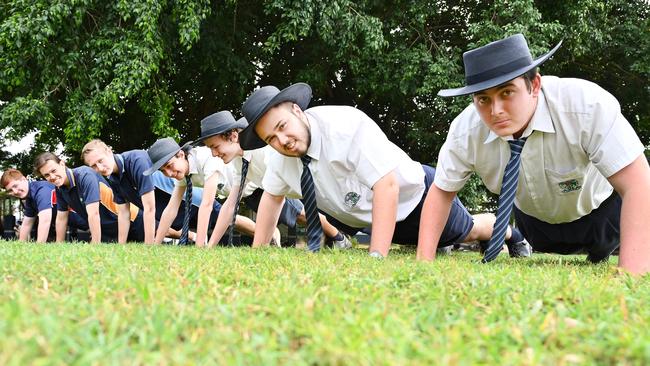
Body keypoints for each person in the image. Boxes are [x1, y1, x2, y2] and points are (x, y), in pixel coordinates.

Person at [419, 33, 650, 275]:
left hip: (600, 220)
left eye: (507, 92)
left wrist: (631, 273)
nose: (495, 111)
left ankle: (600, 251)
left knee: (601, 249)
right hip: (534, 227)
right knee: (533, 233)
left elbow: (638, 182)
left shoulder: (587, 106)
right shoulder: (465, 130)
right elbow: (441, 191)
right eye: (483, 99)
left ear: (535, 85)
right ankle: (518, 239)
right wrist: (423, 264)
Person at [238, 83, 527, 258]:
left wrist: (377, 256)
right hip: (382, 221)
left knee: (468, 231)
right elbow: (272, 199)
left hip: (418, 198)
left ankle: (512, 235)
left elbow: (387, 185)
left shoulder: (344, 126)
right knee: (431, 243)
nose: (282, 141)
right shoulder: (280, 158)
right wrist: (259, 251)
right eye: (270, 139)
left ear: (297, 112)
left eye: (282, 127)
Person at [196, 110, 352, 248]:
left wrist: (258, 246)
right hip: (277, 191)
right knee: (302, 215)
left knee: (305, 215)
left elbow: (275, 198)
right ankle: (338, 238)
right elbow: (230, 205)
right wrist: (210, 247)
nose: (214, 154)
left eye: (215, 147)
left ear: (233, 136)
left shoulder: (263, 149)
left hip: (316, 186)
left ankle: (339, 237)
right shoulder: (239, 161)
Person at [143, 138, 263, 246]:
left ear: (180, 155)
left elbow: (206, 205)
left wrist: (199, 247)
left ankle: (271, 235)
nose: (169, 174)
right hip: (236, 192)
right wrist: (156, 245)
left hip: (257, 185)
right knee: (230, 215)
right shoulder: (183, 172)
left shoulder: (205, 157)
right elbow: (171, 209)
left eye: (169, 166)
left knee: (265, 223)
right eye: (163, 171)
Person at [34, 152, 144, 243]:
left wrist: (95, 244)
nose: (52, 177)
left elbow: (93, 214)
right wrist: (59, 245)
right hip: (109, 233)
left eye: (53, 171)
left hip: (134, 223)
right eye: (46, 175)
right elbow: (61, 218)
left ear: (62, 164)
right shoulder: (59, 188)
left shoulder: (84, 175)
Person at [81, 140, 156, 244]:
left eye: (101, 161)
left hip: (181, 208)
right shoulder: (112, 178)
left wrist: (149, 246)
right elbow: (123, 213)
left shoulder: (137, 161)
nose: (100, 168)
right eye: (93, 166)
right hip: (164, 215)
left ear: (109, 151)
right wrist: (121, 246)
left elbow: (150, 208)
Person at [1, 168, 58, 242]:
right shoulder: (30, 198)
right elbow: (27, 224)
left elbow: (45, 220)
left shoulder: (41, 189)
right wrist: (20, 244)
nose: (15, 191)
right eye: (10, 190)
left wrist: (39, 247)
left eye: (15, 186)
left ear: (24, 179)